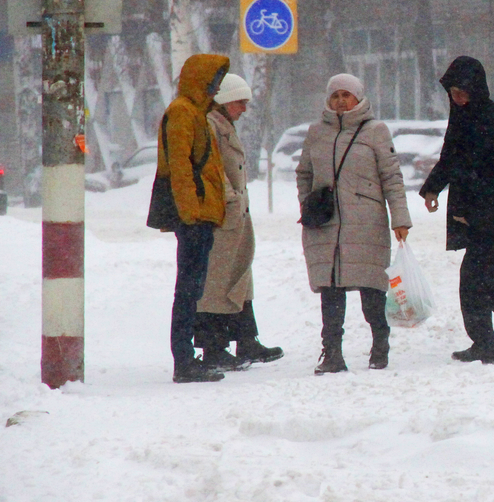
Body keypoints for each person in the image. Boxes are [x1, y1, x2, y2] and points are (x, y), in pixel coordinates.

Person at [419, 56, 494, 365]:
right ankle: (492, 339)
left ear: (477, 90)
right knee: (477, 280)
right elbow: (450, 158)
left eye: (463, 92)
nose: (457, 98)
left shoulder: (490, 121)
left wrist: (472, 211)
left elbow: (490, 175)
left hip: (491, 213)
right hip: (476, 212)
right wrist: (432, 187)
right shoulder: (464, 116)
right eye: (453, 92)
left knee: (474, 279)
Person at [298, 74, 412, 374]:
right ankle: (332, 353)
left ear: (358, 98)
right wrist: (308, 203)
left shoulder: (376, 131)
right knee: (330, 290)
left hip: (367, 222)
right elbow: (303, 173)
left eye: (346, 95)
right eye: (335, 96)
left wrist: (400, 218)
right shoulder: (316, 132)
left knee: (371, 290)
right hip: (325, 224)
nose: (340, 101)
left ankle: (380, 343)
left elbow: (392, 177)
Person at [193, 73, 284, 371]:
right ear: (224, 101)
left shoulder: (222, 124)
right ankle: (213, 348)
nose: (244, 109)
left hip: (233, 215)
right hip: (222, 216)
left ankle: (246, 340)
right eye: (240, 102)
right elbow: (212, 169)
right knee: (216, 284)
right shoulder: (210, 126)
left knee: (239, 277)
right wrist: (231, 199)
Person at [157, 54, 229, 383]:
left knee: (192, 288)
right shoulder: (183, 112)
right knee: (187, 290)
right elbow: (181, 169)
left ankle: (187, 359)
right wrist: (191, 214)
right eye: (212, 82)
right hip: (195, 216)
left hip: (201, 214)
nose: (216, 88)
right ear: (200, 82)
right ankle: (184, 361)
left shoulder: (196, 113)